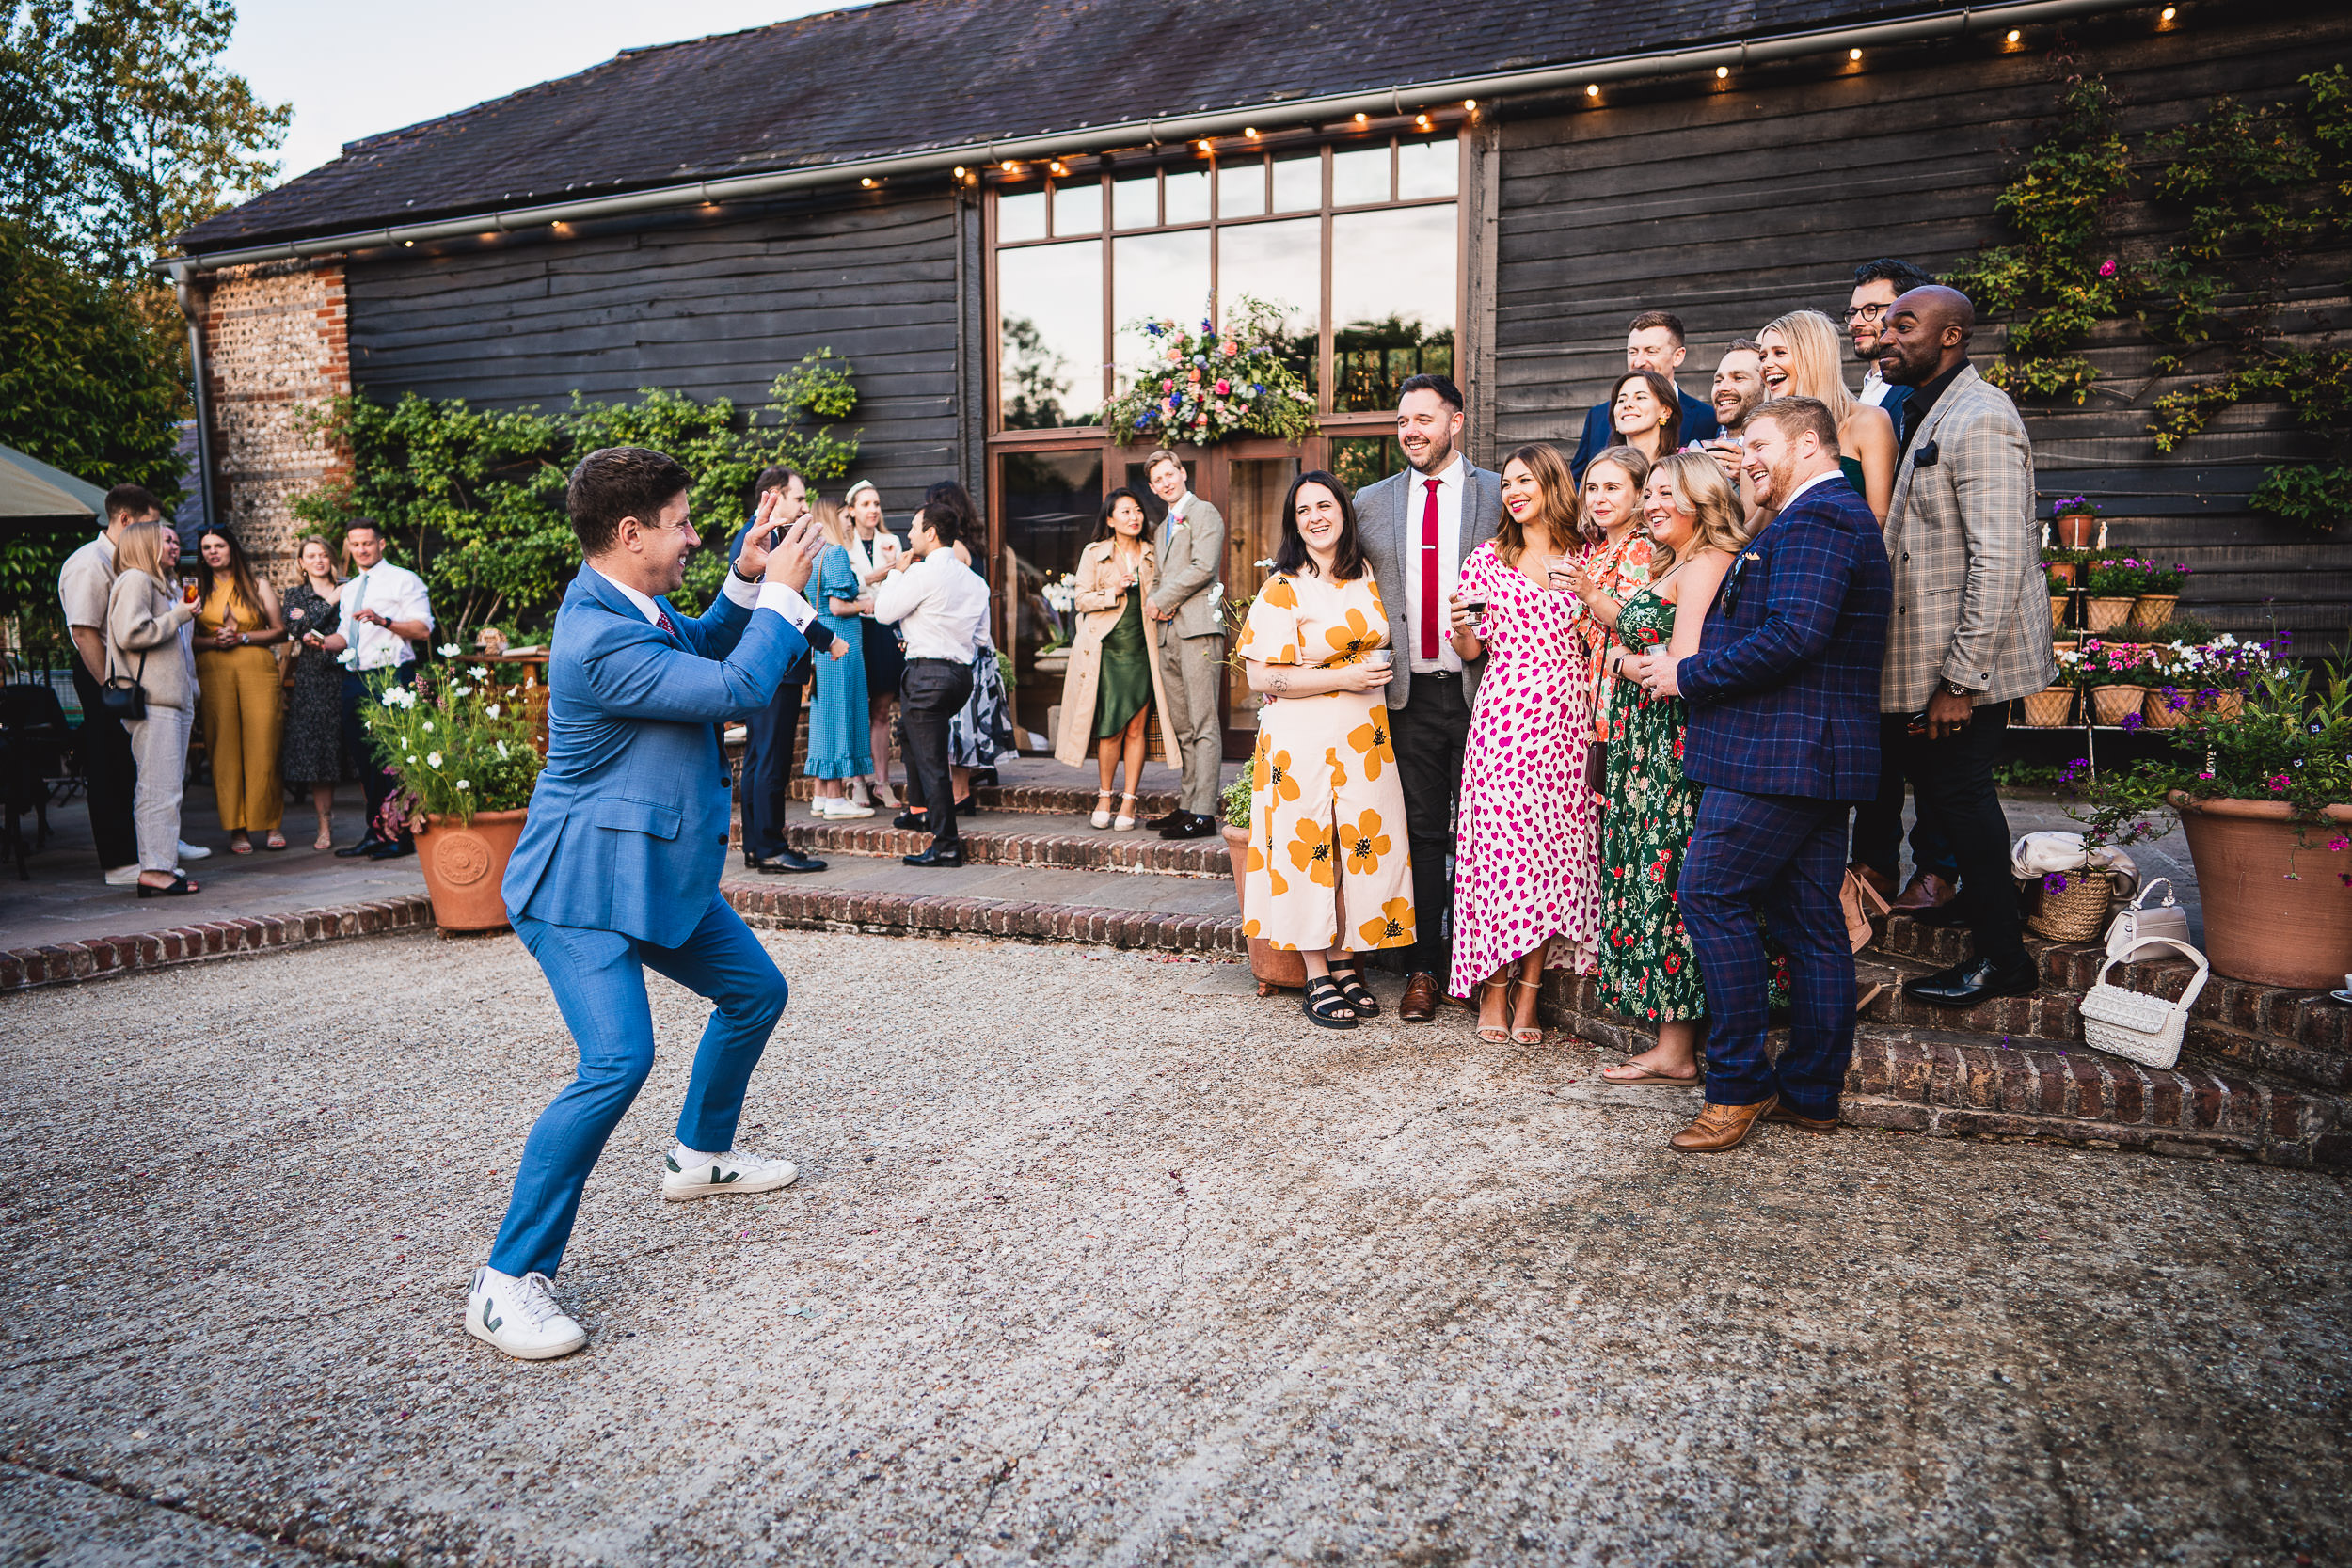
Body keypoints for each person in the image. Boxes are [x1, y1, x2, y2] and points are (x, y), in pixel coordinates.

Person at [473, 446, 824, 1361]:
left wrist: (747, 580)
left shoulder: (628, 604)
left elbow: (703, 647)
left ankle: (699, 1155)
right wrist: (788, 594)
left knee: (756, 991)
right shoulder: (595, 636)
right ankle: (507, 1281)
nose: (694, 535)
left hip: (648, 867)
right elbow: (737, 686)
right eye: (681, 522)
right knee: (617, 1059)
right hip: (581, 886)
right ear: (630, 534)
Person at [1624, 398, 1891, 1152]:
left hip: (1783, 753)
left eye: (1759, 445)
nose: (1745, 459)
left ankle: (1739, 1086)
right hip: (1804, 753)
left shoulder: (1823, 519)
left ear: (1809, 445)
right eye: (1741, 449)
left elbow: (1794, 635)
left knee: (1709, 892)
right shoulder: (1810, 516)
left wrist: (1690, 674)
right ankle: (1811, 1091)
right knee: (1809, 921)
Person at [1875, 284, 2056, 1007]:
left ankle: (2004, 959)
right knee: (1947, 797)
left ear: (1952, 337)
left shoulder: (1981, 416)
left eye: (1904, 325)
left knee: (1963, 796)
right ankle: (1981, 912)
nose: (1887, 336)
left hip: (1965, 663)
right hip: (1930, 659)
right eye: (1886, 326)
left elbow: (2001, 557)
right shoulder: (1927, 410)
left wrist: (1961, 679)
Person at [1594, 454, 1756, 1087]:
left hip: (1672, 752)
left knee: (1669, 890)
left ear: (1703, 498)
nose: (1653, 502)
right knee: (1650, 884)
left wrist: (1621, 664)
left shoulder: (1708, 562)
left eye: (1668, 492)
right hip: (1645, 753)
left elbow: (1677, 672)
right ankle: (1671, 1043)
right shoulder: (1678, 562)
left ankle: (1678, 1048)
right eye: (1651, 492)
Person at [1236, 470, 1414, 1029]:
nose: (1315, 517)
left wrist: (1361, 681)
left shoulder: (1364, 575)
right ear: (1294, 523)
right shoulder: (1283, 587)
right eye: (1303, 510)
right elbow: (1258, 675)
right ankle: (1315, 970)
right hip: (1302, 740)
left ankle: (1345, 961)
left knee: (1357, 848)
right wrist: (1348, 676)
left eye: (1324, 505)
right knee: (1306, 847)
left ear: (1343, 510)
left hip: (1365, 740)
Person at [1352, 372, 1502, 1022]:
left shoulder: (1498, 493)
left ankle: (1483, 967)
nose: (1411, 431)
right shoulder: (1368, 502)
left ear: (1456, 421)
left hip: (1488, 692)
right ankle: (1424, 967)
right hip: (1407, 695)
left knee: (1486, 833)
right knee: (1421, 835)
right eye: (1403, 421)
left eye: (1424, 419)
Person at [1445, 443, 1600, 1046]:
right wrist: (1460, 628)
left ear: (1551, 485)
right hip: (1504, 723)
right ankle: (1493, 988)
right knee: (1499, 860)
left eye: (1525, 481)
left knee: (1552, 861)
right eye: (1507, 483)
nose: (1512, 492)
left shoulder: (1583, 559)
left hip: (1566, 723)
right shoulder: (1488, 559)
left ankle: (1530, 995)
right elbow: (1471, 650)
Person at [1053, 487, 1181, 828]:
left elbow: (1170, 593)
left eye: (1137, 510)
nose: (1134, 517)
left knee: (1137, 728)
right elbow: (1080, 600)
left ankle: (1129, 801)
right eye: (1125, 512)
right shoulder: (1094, 554)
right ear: (1110, 520)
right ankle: (1105, 795)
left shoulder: (1156, 553)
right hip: (1107, 652)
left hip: (1144, 651)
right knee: (1111, 728)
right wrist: (1115, 591)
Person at [872, 498, 990, 867]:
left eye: (913, 528)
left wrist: (895, 573)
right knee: (910, 734)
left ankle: (947, 844)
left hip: (927, 676)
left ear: (931, 533)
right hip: (960, 676)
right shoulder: (975, 582)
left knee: (933, 760)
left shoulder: (922, 572)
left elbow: (883, 613)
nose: (908, 534)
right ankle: (920, 809)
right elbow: (982, 637)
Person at [58, 484, 162, 886]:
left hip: (123, 673)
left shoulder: (123, 559)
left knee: (132, 762)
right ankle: (119, 862)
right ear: (124, 520)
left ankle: (147, 846)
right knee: (109, 765)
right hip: (101, 672)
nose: (153, 534)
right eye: (148, 525)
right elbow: (85, 632)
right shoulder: (89, 563)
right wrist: (110, 688)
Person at [728, 467, 825, 873]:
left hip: (771, 665)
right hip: (774, 665)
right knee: (771, 757)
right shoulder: (760, 539)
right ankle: (768, 846)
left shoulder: (767, 534)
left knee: (760, 757)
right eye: (799, 498)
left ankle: (759, 844)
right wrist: (826, 639)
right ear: (774, 495)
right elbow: (778, 600)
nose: (805, 505)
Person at [103, 520, 201, 897]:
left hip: (170, 700)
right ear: (145, 544)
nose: (171, 545)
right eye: (163, 539)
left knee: (167, 786)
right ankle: (156, 869)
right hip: (153, 700)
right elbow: (130, 632)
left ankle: (160, 865)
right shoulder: (135, 580)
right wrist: (177, 615)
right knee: (158, 787)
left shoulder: (156, 583)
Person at [325, 519, 433, 860]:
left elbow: (423, 629)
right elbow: (344, 636)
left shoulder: (404, 580)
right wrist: (320, 642)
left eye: (367, 543)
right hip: (355, 677)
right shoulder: (351, 587)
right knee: (364, 759)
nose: (361, 550)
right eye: (355, 544)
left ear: (381, 544)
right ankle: (376, 832)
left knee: (393, 759)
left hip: (391, 676)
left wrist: (384, 620)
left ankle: (399, 836)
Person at [1139, 450, 1226, 840]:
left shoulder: (1204, 512)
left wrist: (1161, 600)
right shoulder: (1161, 529)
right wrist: (1153, 601)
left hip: (1199, 631)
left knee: (1204, 723)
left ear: (1182, 472)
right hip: (1169, 634)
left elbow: (1203, 567)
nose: (1165, 483)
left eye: (1169, 474)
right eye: (1157, 480)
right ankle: (1189, 804)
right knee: (1184, 726)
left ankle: (1204, 813)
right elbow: (1158, 578)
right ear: (1153, 488)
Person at [190, 525, 289, 853]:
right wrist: (214, 641)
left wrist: (243, 636)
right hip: (215, 670)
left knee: (264, 744)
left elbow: (279, 632)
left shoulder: (256, 584)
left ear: (232, 548)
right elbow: (186, 640)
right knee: (224, 749)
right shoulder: (194, 590)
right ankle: (237, 829)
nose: (213, 552)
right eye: (206, 547)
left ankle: (271, 822)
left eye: (219, 545)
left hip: (256, 669)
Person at [922, 480, 1016, 810]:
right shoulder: (973, 546)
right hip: (976, 643)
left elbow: (954, 595)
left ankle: (959, 792)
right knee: (967, 718)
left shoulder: (954, 551)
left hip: (961, 646)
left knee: (959, 720)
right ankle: (962, 786)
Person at [1757, 309, 1899, 523]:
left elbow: (1881, 518)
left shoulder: (1869, 422)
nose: (1766, 365)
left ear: (1813, 356)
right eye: (1762, 356)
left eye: (1779, 353)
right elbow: (1758, 528)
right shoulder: (1765, 434)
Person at [1569, 310, 1723, 482]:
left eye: (1651, 351)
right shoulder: (1598, 416)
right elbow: (1577, 480)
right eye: (1633, 352)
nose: (1638, 362)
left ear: (1678, 357)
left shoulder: (1708, 418)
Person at [1563, 445, 1656, 693]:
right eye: (1592, 488)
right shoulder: (1602, 550)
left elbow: (1638, 626)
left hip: (1631, 688)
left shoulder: (1642, 547)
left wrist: (1589, 593)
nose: (1599, 499)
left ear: (1639, 493)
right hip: (1600, 684)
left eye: (1612, 488)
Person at [804, 499, 874, 821]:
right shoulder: (835, 553)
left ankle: (821, 793)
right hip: (840, 645)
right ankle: (835, 797)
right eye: (845, 517)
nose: (849, 523)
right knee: (839, 716)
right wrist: (866, 604)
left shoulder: (811, 553)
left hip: (821, 642)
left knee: (825, 718)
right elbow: (837, 606)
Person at [838, 479, 904, 810]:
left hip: (883, 628)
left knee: (881, 709)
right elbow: (842, 588)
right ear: (851, 511)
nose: (873, 509)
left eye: (876, 503)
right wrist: (873, 577)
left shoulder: (892, 542)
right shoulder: (841, 546)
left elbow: (902, 583)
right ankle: (856, 780)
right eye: (865, 504)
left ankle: (882, 782)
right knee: (853, 708)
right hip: (854, 627)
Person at [278, 536, 346, 850]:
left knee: (358, 749)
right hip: (315, 680)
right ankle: (324, 825)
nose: (318, 560)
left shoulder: (352, 586)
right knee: (320, 756)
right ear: (302, 563)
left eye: (323, 554)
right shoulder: (295, 595)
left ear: (331, 558)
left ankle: (382, 821)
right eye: (311, 556)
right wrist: (331, 600)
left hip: (350, 672)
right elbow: (297, 628)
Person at [1849, 258, 1937, 441]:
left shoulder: (1922, 395)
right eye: (1852, 313)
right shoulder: (1865, 391)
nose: (1854, 323)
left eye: (1871, 309)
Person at [1604, 369, 1682, 466]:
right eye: (1621, 400)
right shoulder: (1603, 469)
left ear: (1665, 411)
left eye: (1640, 397)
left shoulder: (1684, 466)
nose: (1627, 404)